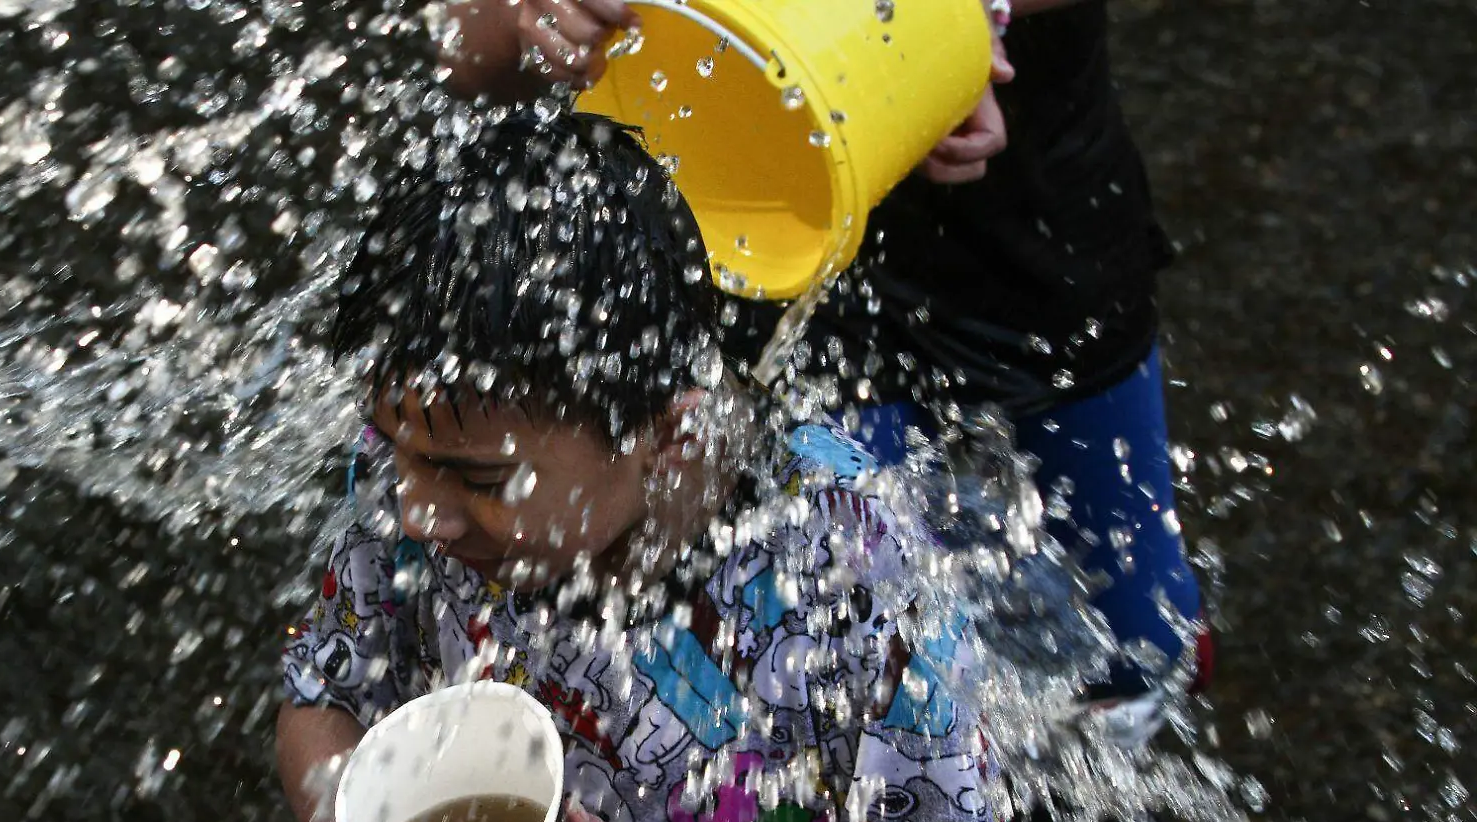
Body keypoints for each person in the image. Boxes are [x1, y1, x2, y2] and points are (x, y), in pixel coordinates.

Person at [275, 114, 1014, 822]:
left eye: (480, 483)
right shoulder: (423, 464)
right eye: (401, 455)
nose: (420, 513)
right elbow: (317, 699)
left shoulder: (841, 564)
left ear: (669, 440)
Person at [432, 0, 1210, 746]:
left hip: (1030, 242)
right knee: (837, 638)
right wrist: (532, 15)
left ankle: (1100, 763)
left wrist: (949, 19)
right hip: (755, 236)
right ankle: (918, 798)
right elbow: (468, 55)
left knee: (1135, 633)